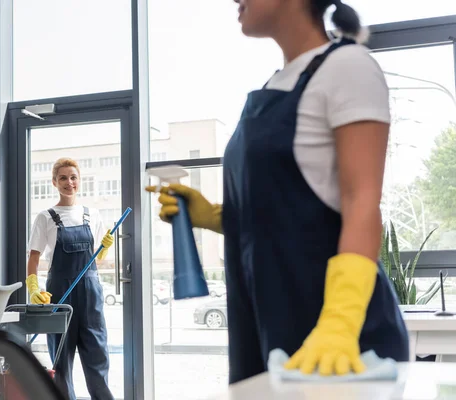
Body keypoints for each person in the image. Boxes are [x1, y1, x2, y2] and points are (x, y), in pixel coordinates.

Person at [147, 0, 409, 384]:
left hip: (342, 342)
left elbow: (362, 206)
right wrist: (216, 216)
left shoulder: (347, 68)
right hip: (267, 328)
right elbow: (282, 212)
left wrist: (340, 323)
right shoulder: (271, 86)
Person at [26, 157, 115, 400]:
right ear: (54, 182)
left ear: (79, 181)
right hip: (58, 294)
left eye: (73, 177)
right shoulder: (46, 217)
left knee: (97, 357)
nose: (69, 182)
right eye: (63, 178)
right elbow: (33, 258)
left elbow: (95, 261)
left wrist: (105, 248)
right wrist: (33, 289)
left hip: (90, 293)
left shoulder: (91, 214)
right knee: (61, 362)